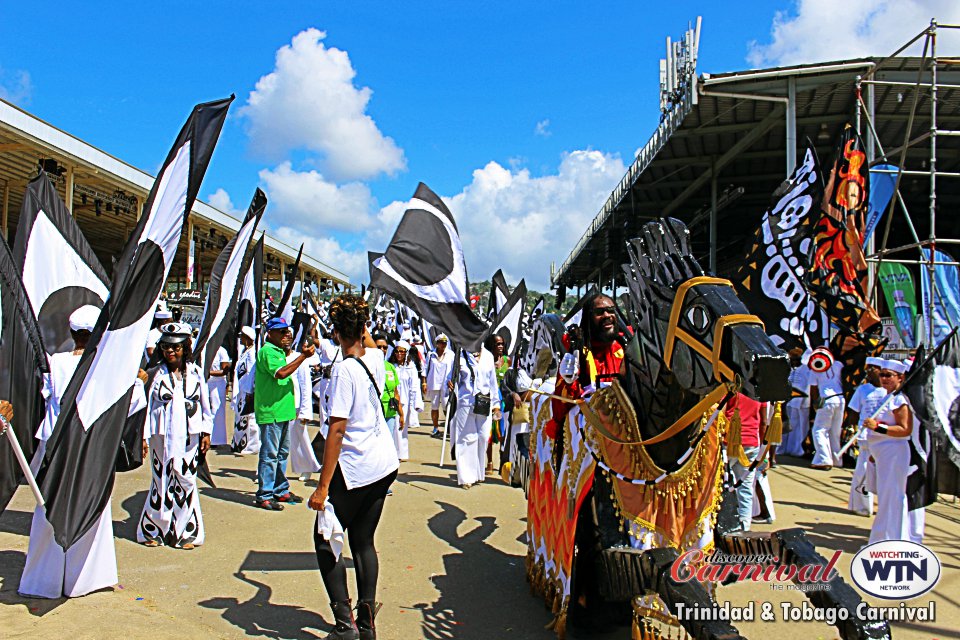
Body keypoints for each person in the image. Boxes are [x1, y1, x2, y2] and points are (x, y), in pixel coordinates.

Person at [20, 306, 146, 597]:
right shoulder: (104, 367)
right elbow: (128, 403)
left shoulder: (55, 362)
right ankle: (84, 580)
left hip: (53, 447)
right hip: (90, 448)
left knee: (47, 507)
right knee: (92, 506)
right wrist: (139, 381)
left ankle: (43, 581)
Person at [308, 294, 399, 640]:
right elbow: (371, 342)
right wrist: (363, 320)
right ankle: (367, 625)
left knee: (324, 538)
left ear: (335, 332)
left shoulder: (344, 370)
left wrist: (321, 488)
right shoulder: (375, 357)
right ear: (363, 329)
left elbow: (337, 430)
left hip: (357, 466)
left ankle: (346, 627)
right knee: (363, 540)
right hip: (383, 465)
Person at [137, 322, 211, 549]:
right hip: (161, 436)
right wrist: (142, 436)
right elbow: (145, 408)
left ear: (185, 347)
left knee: (186, 480)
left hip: (189, 436)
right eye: (167, 347)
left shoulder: (197, 374)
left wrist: (206, 431)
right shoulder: (154, 375)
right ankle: (155, 529)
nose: (170, 351)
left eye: (176, 347)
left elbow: (205, 405)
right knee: (161, 481)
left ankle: (185, 532)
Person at [254, 317, 316, 510]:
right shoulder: (267, 352)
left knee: (281, 453)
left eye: (287, 331)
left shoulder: (279, 352)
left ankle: (280, 490)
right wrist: (303, 357)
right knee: (270, 454)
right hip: (271, 411)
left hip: (283, 411)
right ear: (270, 333)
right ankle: (264, 493)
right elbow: (281, 373)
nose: (286, 335)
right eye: (281, 332)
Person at [864, 359, 922, 543]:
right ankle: (885, 537)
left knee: (892, 498)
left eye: (889, 375)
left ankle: (891, 539)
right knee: (886, 497)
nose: (884, 378)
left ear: (900, 377)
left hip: (894, 453)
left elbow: (905, 429)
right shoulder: (887, 397)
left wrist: (877, 428)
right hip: (883, 454)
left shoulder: (900, 399)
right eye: (882, 374)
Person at [449, 342, 501, 488]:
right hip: (465, 402)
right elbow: (452, 378)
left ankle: (478, 473)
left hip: (484, 403)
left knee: (483, 437)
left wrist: (496, 405)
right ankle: (466, 477)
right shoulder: (459, 356)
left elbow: (493, 383)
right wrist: (451, 385)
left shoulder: (488, 356)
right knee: (466, 439)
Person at [845, 357, 885, 516]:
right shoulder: (863, 390)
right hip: (865, 437)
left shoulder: (890, 391)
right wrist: (850, 428)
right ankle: (862, 506)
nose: (869, 371)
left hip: (884, 437)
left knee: (883, 473)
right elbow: (854, 412)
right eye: (868, 368)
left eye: (873, 368)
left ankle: (884, 507)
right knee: (862, 471)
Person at [724, 392, 767, 532]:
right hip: (752, 443)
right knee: (746, 487)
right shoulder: (759, 392)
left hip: (728, 443)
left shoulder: (730, 388)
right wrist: (763, 450)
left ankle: (721, 523)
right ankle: (745, 525)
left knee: (720, 484)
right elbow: (764, 422)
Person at [286, 330, 321, 483]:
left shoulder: (299, 358)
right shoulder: (275, 356)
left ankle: (307, 467)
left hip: (295, 405)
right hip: (278, 405)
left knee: (299, 438)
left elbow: (305, 385)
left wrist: (306, 412)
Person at [808, 347, 846, 470]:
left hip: (826, 399)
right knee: (835, 431)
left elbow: (813, 388)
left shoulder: (815, 370)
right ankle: (837, 459)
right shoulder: (838, 364)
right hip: (840, 399)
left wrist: (815, 403)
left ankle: (824, 459)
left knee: (819, 430)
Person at [388, 340, 422, 461]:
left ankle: (401, 453)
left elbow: (414, 387)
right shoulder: (391, 366)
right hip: (392, 401)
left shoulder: (411, 367)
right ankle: (393, 452)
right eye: (397, 351)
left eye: (402, 351)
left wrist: (415, 405)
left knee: (402, 428)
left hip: (405, 401)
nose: (399, 354)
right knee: (393, 427)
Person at [231, 326, 261, 455]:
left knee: (250, 418)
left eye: (242, 336)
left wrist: (251, 389)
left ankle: (252, 445)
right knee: (241, 417)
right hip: (241, 389)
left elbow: (252, 371)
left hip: (247, 389)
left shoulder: (252, 353)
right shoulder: (245, 351)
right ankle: (239, 443)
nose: (240, 339)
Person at [374, 334, 404, 458]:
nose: (382, 350)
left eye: (385, 347)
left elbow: (395, 392)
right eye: (379, 347)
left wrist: (401, 414)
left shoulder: (390, 367)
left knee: (388, 444)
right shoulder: (367, 366)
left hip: (390, 412)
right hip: (375, 413)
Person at [780, 347, 811, 457]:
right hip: (788, 402)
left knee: (799, 428)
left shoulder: (806, 370)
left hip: (802, 403)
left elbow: (808, 386)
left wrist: (804, 402)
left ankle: (797, 450)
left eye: (796, 359)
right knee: (786, 425)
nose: (794, 362)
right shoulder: (789, 369)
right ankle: (782, 448)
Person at [424, 334, 454, 437]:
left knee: (447, 406)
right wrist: (424, 382)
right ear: (437, 343)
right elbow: (425, 368)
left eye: (445, 342)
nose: (443, 344)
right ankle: (436, 428)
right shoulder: (431, 354)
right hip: (433, 383)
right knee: (434, 406)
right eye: (441, 342)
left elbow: (455, 369)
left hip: (446, 384)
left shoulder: (451, 354)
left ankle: (449, 426)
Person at [206, 345, 232, 447]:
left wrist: (209, 373)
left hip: (218, 383)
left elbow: (224, 371)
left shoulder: (222, 350)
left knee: (217, 411)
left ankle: (217, 440)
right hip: (206, 382)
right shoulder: (205, 349)